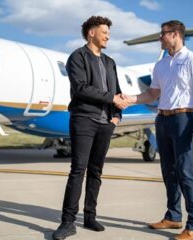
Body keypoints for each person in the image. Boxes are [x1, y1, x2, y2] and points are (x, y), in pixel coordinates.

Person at [120, 20, 193, 240]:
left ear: (176, 34)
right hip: (162, 119)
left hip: (183, 118)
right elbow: (152, 94)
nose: (159, 38)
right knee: (168, 171)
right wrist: (130, 99)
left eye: (163, 34)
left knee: (185, 172)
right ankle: (173, 216)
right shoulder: (160, 65)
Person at [52, 16, 126, 240]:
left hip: (106, 124)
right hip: (84, 119)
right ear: (91, 32)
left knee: (96, 172)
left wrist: (116, 117)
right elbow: (82, 88)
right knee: (78, 170)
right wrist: (112, 99)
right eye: (104, 32)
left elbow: (118, 91)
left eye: (109, 33)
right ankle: (67, 222)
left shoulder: (110, 61)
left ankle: (90, 216)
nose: (108, 37)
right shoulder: (77, 57)